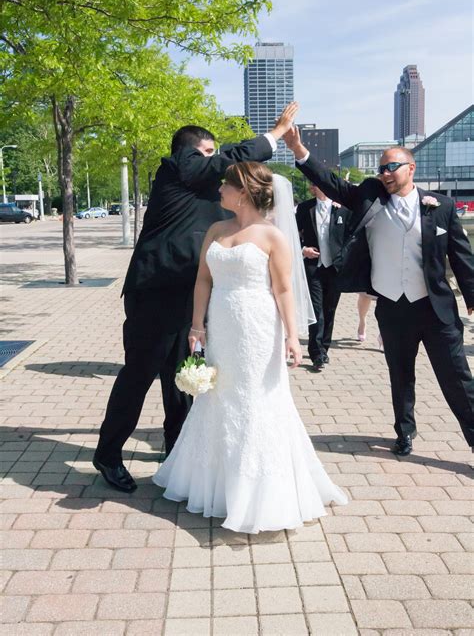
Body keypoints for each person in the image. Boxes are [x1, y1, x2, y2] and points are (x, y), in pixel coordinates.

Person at [93, 103, 299, 492]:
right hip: (156, 291)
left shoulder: (219, 195)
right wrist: (273, 136)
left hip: (196, 298)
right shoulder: (177, 170)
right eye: (209, 153)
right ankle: (108, 454)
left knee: (184, 381)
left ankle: (176, 454)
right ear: (187, 152)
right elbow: (214, 164)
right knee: (139, 374)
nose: (217, 163)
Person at [153, 163, 347, 532]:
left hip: (258, 327)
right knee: (219, 395)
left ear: (242, 192)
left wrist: (292, 336)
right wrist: (197, 325)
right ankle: (218, 485)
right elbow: (202, 281)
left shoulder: (272, 236)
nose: (219, 190)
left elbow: (285, 289)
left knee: (257, 397)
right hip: (222, 325)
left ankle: (262, 492)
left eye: (225, 185)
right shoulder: (216, 229)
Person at [284, 129, 474, 457]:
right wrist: (298, 149)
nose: (384, 174)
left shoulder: (439, 207)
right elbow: (331, 182)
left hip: (435, 309)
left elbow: (460, 255)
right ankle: (404, 431)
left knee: (458, 379)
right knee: (400, 375)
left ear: (410, 168)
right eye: (381, 169)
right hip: (392, 306)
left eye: (391, 167)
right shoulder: (370, 199)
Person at [296, 184, 351, 370]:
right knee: (317, 310)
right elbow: (292, 235)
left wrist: (345, 258)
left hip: (335, 268)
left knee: (330, 310)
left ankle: (324, 348)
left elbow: (352, 236)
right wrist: (303, 250)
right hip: (314, 267)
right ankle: (316, 352)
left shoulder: (343, 208)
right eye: (315, 184)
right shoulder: (305, 208)